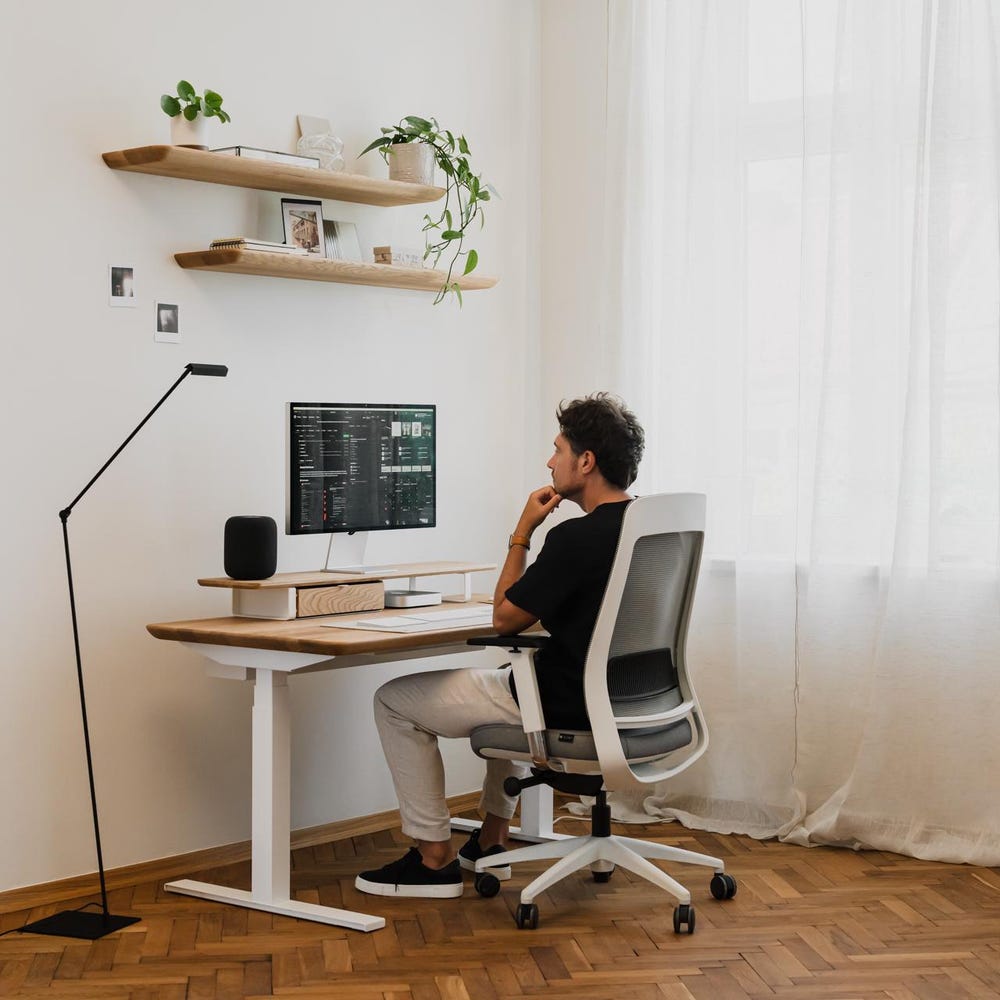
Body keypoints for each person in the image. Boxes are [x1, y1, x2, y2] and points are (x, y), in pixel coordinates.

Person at [355, 392, 645, 898]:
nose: (549, 461)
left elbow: (505, 617)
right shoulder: (648, 527)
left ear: (586, 461)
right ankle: (491, 839)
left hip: (569, 705)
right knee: (515, 682)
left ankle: (432, 856)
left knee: (394, 702)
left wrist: (522, 532)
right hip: (633, 700)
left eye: (557, 450)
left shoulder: (576, 539)